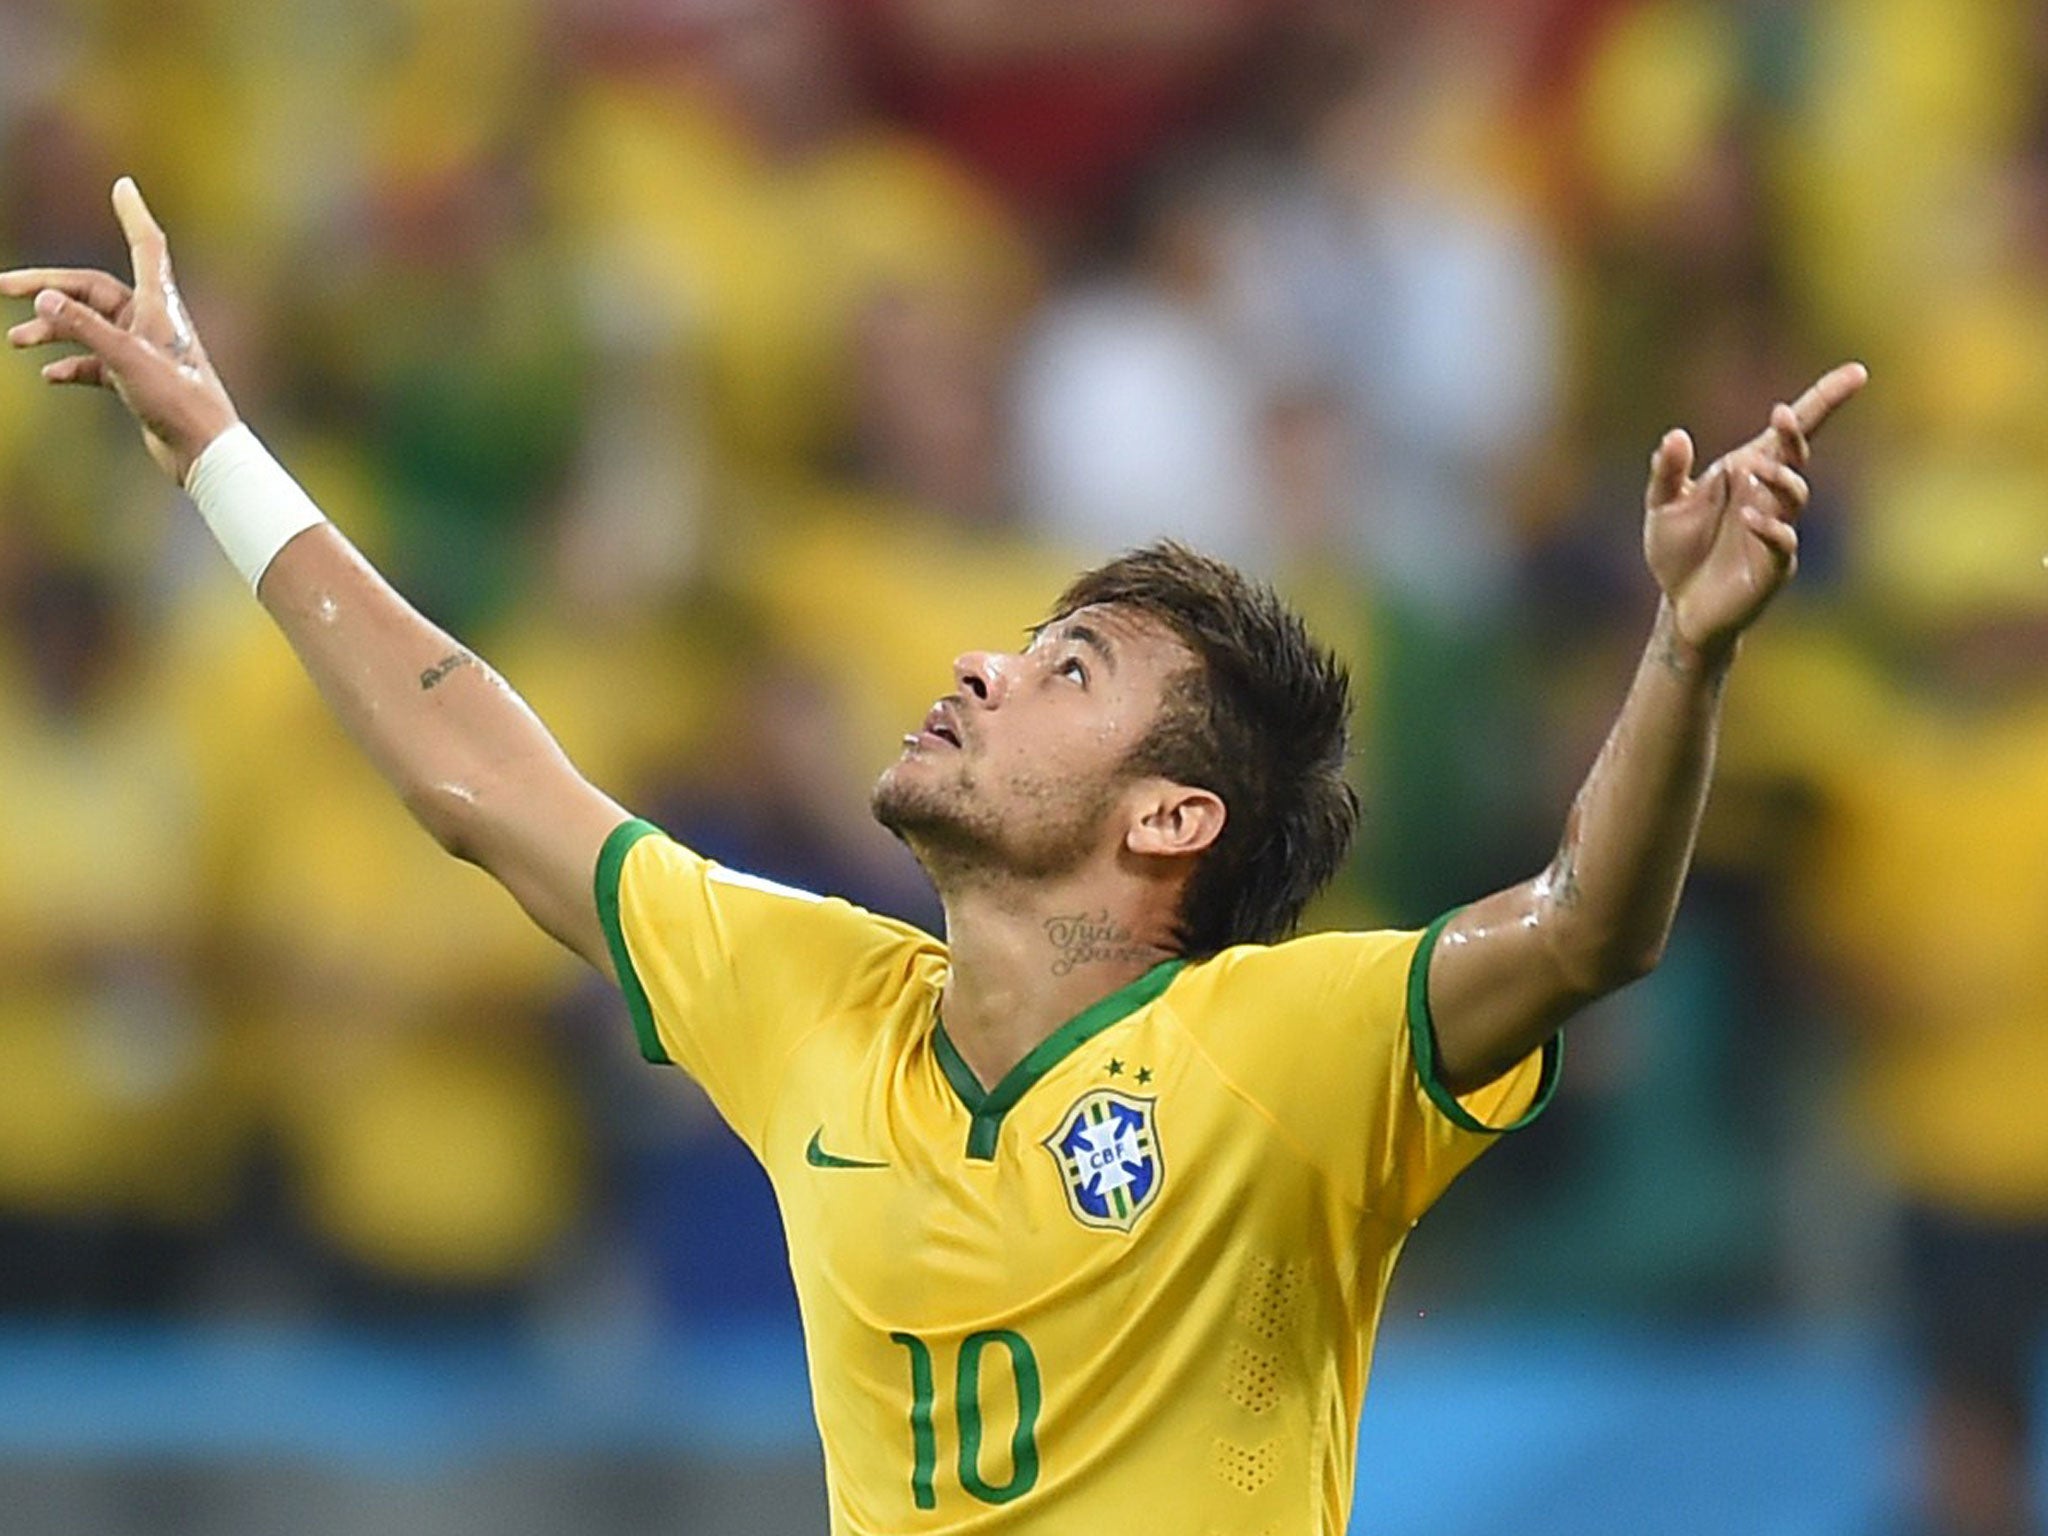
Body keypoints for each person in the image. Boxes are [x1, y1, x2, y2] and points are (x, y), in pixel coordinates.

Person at [3, 180, 1864, 1533]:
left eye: (1067, 670)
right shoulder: (819, 1003)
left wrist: (1686, 650)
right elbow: (479, 770)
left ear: (1173, 821)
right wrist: (213, 441)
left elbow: (1584, 930)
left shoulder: (1279, 1058)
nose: (981, 662)